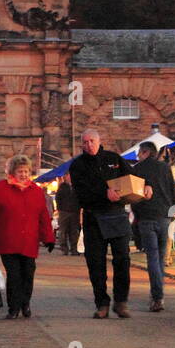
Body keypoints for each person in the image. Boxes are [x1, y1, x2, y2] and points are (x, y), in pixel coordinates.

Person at [69, 128, 138, 318]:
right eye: (85, 142)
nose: (88, 145)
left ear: (99, 141)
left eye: (91, 141)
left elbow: (133, 177)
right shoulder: (77, 165)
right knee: (96, 264)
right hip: (93, 217)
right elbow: (80, 193)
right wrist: (103, 193)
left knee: (122, 260)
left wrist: (146, 185)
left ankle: (121, 302)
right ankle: (102, 303)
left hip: (116, 216)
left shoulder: (114, 159)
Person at [0, 155, 55, 319]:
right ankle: (13, 307)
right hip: (8, 241)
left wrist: (48, 237)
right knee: (14, 275)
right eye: (20, 171)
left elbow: (43, 216)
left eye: (26, 171)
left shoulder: (36, 190)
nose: (23, 174)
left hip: (29, 241)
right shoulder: (1, 188)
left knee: (28, 274)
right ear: (12, 172)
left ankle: (25, 303)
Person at [131, 141, 175, 311]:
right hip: (164, 216)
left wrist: (137, 213)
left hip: (147, 217)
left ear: (145, 152)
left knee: (153, 259)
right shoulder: (165, 168)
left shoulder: (138, 169)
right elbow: (172, 190)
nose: (138, 157)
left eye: (139, 153)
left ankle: (157, 296)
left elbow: (134, 196)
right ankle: (158, 294)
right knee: (161, 258)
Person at [55, 174, 80, 255]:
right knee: (63, 231)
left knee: (74, 232)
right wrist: (60, 209)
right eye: (68, 175)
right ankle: (64, 248)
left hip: (75, 212)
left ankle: (74, 249)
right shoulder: (62, 187)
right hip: (64, 212)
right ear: (65, 177)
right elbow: (58, 198)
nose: (70, 177)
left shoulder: (77, 185)